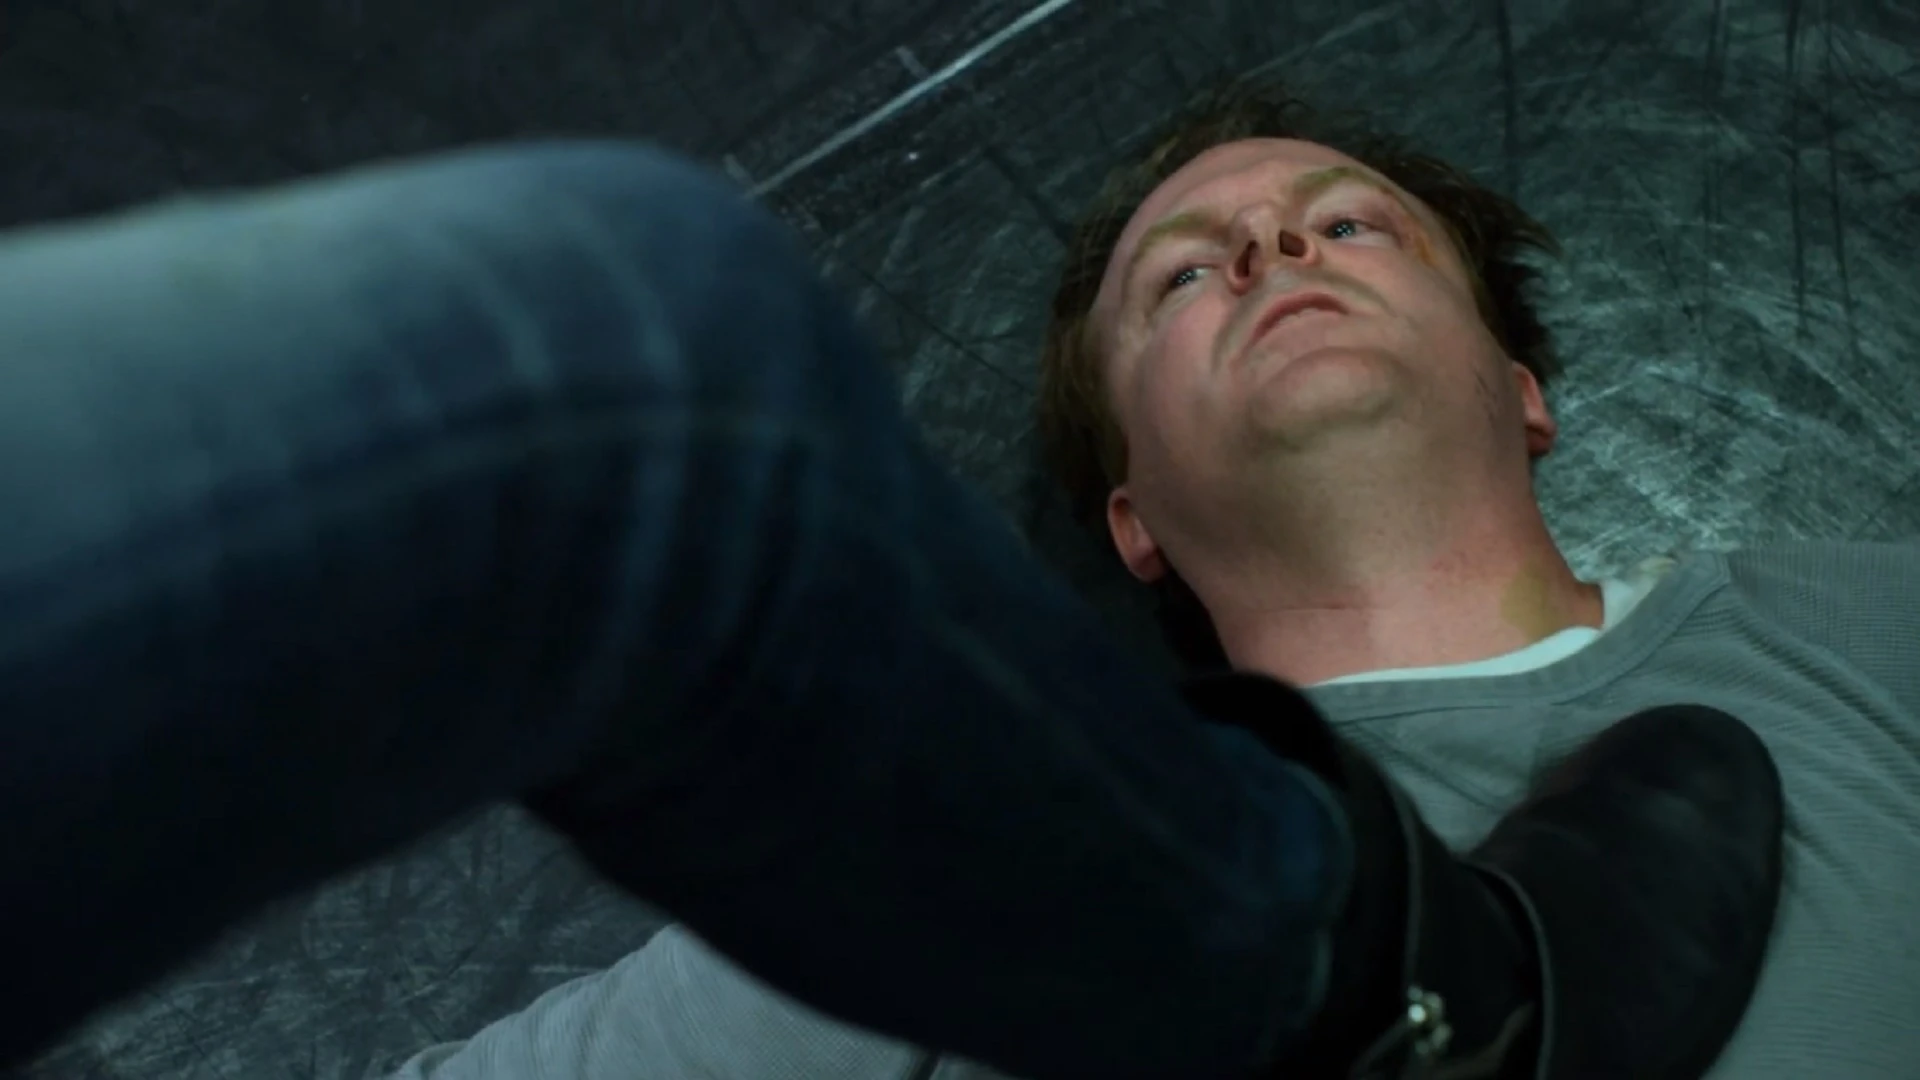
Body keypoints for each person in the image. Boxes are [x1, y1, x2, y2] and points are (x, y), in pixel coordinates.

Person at [0, 76, 1792, 1080]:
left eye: (1349, 226)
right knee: (627, 351)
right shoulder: (901, 874)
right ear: (1130, 518)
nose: (1268, 243)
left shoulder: (1856, 616)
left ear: (1525, 386)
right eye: (1184, 275)